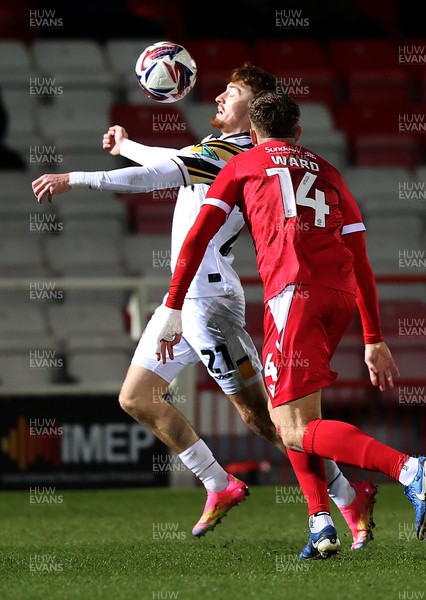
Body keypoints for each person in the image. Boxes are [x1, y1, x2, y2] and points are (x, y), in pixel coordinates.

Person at [31, 67, 376, 548]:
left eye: (231, 93)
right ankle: (220, 483)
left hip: (209, 300)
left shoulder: (239, 153)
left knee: (267, 420)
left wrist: (76, 178)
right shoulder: (219, 153)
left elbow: (157, 174)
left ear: (252, 112)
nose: (217, 96)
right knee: (137, 397)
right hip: (185, 298)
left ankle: (345, 495)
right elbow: (173, 160)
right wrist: (128, 145)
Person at [148, 90, 426, 559]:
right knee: (299, 415)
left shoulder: (242, 166)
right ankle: (321, 523)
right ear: (299, 132)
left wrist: (171, 307)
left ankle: (408, 468)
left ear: (252, 134)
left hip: (294, 296)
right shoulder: (327, 171)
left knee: (288, 427)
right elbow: (362, 260)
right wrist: (374, 338)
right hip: (340, 297)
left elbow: (196, 238)